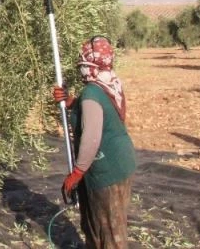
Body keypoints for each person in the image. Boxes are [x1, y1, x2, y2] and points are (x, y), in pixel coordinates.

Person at [53, 35, 136, 249]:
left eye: (84, 66)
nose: (82, 70)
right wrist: (70, 102)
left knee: (108, 233)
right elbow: (96, 111)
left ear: (93, 67)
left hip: (106, 171)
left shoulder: (91, 92)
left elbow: (91, 137)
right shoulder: (111, 82)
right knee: (104, 228)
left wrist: (77, 173)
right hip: (121, 163)